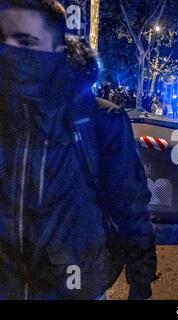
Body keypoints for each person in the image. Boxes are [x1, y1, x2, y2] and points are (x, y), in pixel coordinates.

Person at [0, 1, 156, 300]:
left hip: (73, 288)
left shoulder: (100, 120)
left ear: (57, 50)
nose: (10, 51)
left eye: (25, 41)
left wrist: (141, 277)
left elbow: (129, 202)